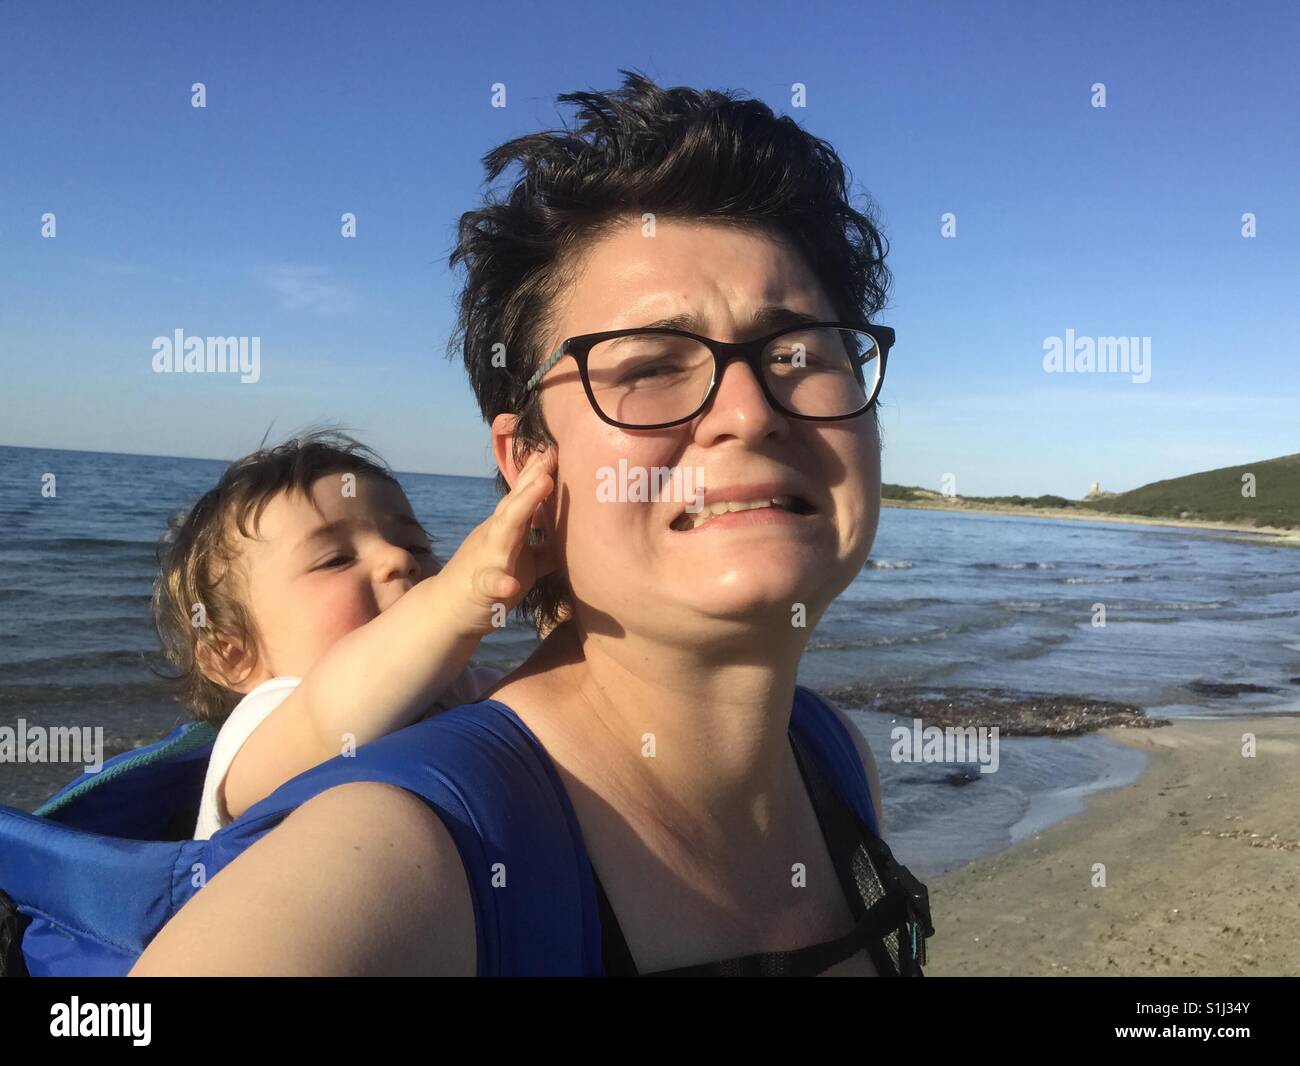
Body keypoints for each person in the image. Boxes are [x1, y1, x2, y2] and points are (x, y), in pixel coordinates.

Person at [131, 68, 930, 976]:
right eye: (648, 366)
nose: (748, 411)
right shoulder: (412, 853)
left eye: (797, 352)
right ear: (526, 464)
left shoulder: (833, 758)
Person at [148, 430, 554, 839]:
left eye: (416, 546)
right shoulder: (257, 727)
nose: (399, 558)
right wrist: (452, 601)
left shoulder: (466, 688)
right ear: (233, 658)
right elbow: (325, 716)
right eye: (337, 559)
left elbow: (557, 713)